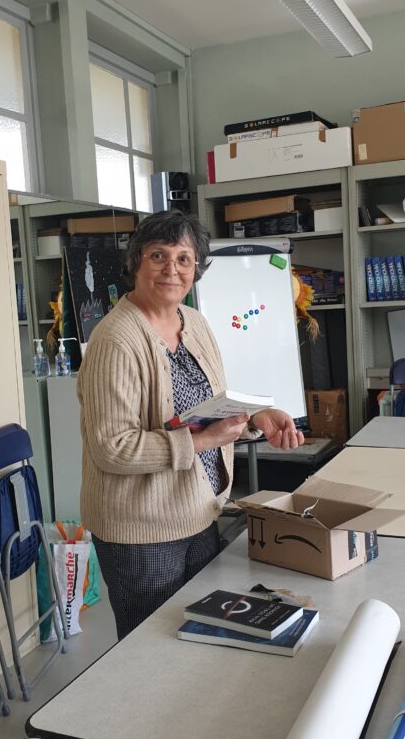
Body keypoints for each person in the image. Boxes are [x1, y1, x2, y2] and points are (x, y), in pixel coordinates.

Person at [77, 211, 302, 639]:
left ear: (196, 266)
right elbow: (112, 448)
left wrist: (255, 418)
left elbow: (211, 405)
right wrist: (202, 442)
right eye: (158, 256)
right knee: (151, 647)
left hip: (199, 512)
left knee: (198, 638)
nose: (172, 269)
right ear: (136, 262)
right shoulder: (116, 339)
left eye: (184, 258)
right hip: (142, 530)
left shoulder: (193, 322)